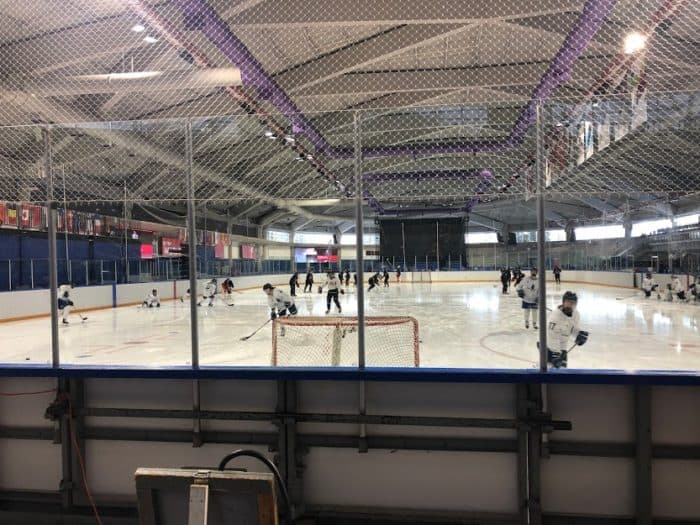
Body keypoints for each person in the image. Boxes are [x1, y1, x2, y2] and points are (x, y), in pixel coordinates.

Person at [545, 291, 588, 369]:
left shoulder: (576, 314)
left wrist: (578, 335)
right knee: (549, 371)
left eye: (573, 303)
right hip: (549, 346)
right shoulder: (554, 317)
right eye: (568, 302)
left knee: (562, 371)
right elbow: (552, 337)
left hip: (563, 346)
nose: (571, 305)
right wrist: (555, 354)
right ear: (563, 302)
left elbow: (572, 328)